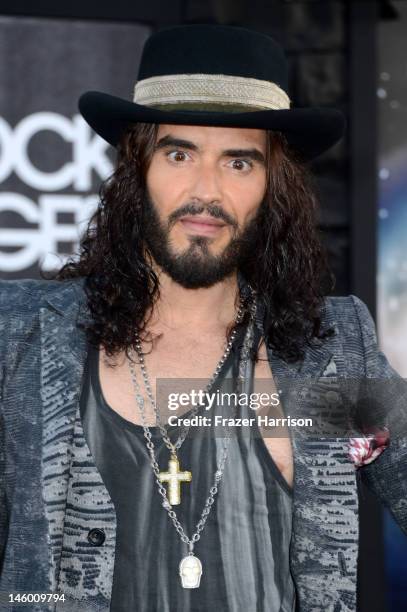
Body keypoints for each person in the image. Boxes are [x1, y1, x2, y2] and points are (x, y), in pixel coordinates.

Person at [0, 23, 406, 612]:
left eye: (239, 163)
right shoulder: (23, 335)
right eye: (180, 153)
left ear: (274, 186)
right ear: (136, 167)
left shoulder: (328, 353)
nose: (205, 191)